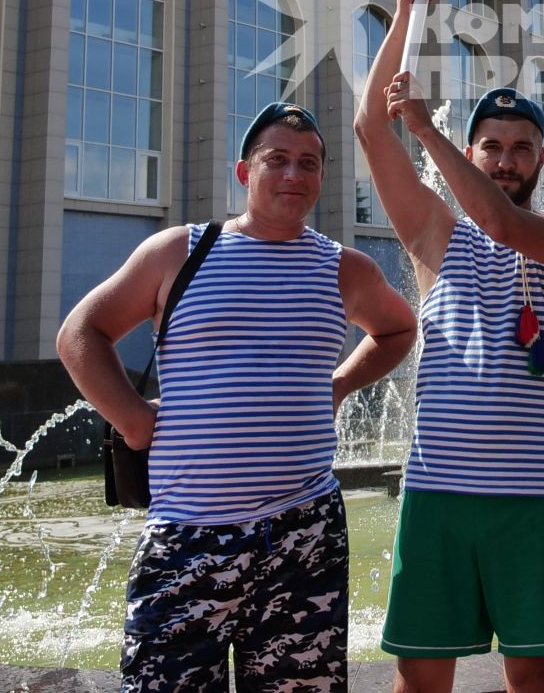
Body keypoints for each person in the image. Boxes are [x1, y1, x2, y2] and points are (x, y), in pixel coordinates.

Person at [57, 101, 417, 693]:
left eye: (309, 163)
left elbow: (399, 329)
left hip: (304, 534)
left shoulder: (342, 270)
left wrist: (339, 385)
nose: (294, 175)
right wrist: (133, 421)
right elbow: (79, 334)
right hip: (189, 533)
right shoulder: (181, 252)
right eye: (277, 160)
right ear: (245, 173)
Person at [354, 0, 544, 693]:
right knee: (421, 680)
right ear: (473, 153)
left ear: (542, 158)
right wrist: (405, 12)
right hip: (437, 492)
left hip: (530, 501)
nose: (505, 159)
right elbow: (372, 127)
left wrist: (425, 128)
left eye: (521, 147)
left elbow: (500, 221)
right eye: (490, 146)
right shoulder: (437, 236)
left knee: (534, 678)